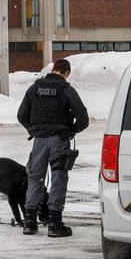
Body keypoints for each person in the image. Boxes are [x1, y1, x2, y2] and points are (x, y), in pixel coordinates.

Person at [16, 57, 89, 237]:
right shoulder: (66, 89)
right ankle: (55, 224)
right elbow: (83, 119)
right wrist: (71, 131)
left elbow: (21, 115)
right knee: (58, 179)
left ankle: (30, 222)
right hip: (59, 140)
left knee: (35, 178)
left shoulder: (34, 88)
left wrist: (34, 129)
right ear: (66, 73)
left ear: (53, 70)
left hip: (39, 141)